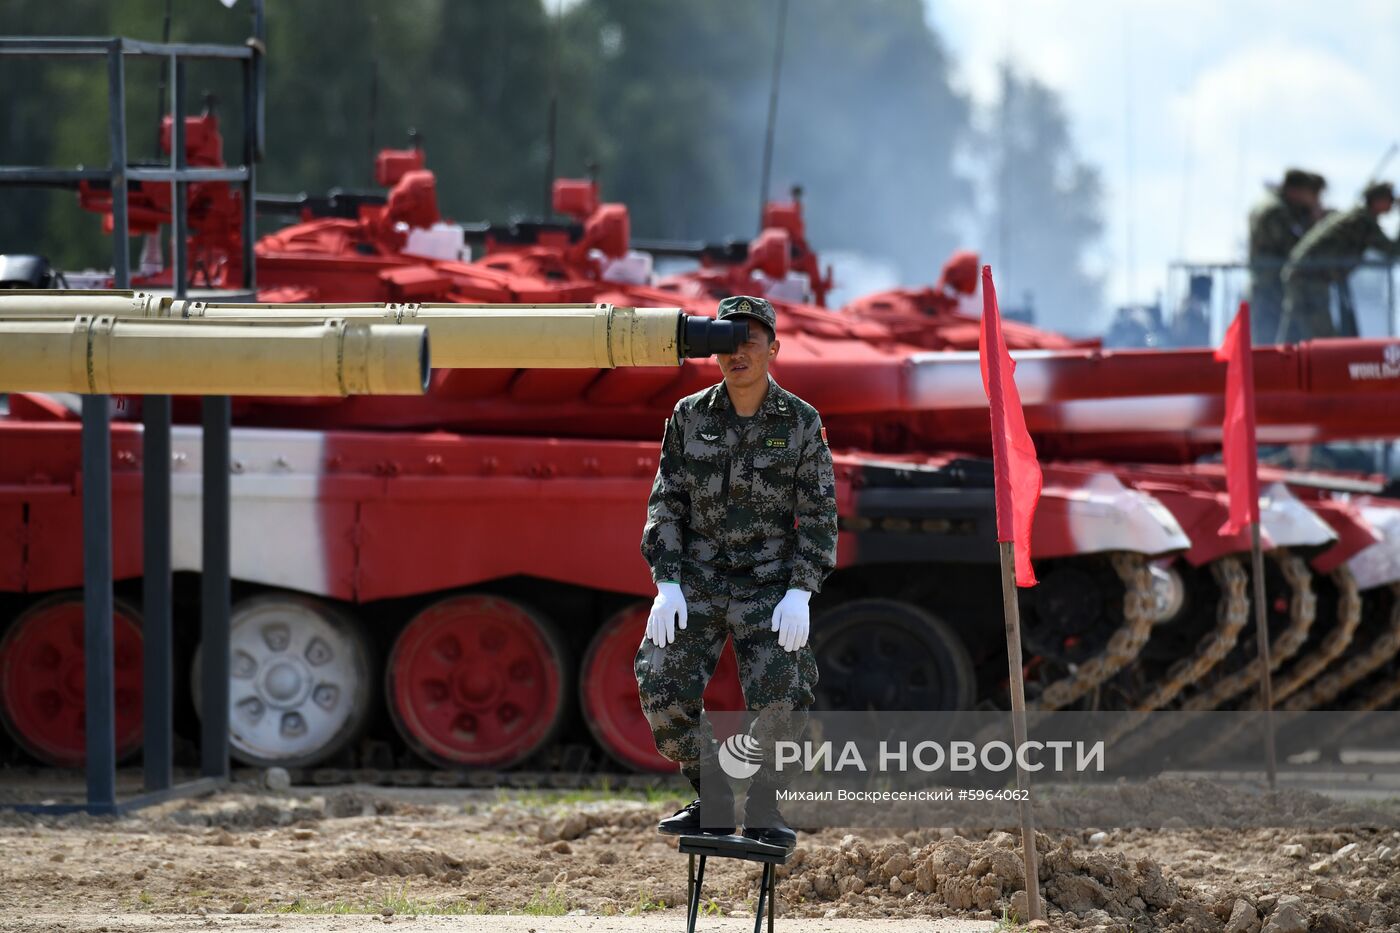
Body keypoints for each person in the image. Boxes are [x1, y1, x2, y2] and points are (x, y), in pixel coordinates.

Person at [635, 295, 838, 849]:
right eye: (727, 339)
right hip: (697, 577)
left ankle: (766, 807)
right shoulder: (689, 415)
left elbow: (819, 514)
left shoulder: (799, 422)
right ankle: (715, 798)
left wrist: (801, 589)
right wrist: (667, 582)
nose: (738, 350)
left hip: (770, 584)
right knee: (662, 683)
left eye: (750, 338)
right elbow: (667, 501)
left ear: (773, 348)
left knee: (785, 691)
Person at [1280, 181, 1400, 342]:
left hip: (1304, 274)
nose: (1392, 204)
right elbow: (1393, 251)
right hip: (1310, 277)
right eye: (1389, 199)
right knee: (1324, 338)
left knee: (1293, 334)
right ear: (1378, 200)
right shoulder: (1362, 221)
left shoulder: (1358, 217)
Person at [1247, 168, 1325, 343]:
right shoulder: (1276, 211)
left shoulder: (1271, 205)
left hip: (1266, 283)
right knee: (1268, 343)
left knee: (1265, 340)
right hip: (1271, 284)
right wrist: (1313, 223)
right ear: (1295, 190)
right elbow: (1293, 248)